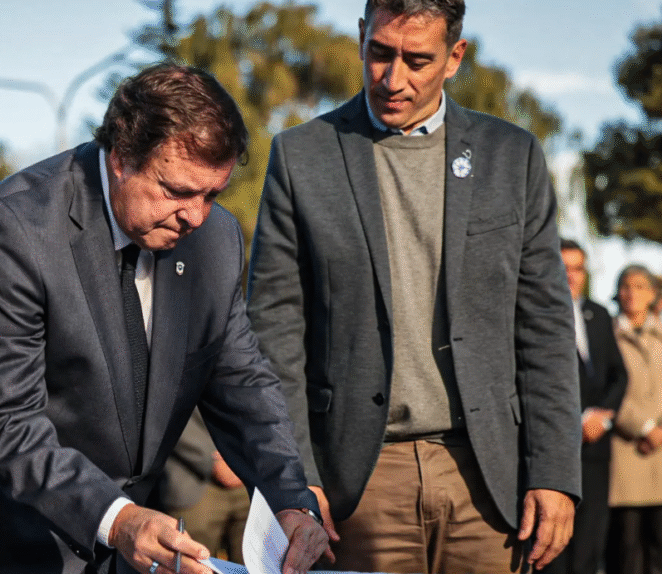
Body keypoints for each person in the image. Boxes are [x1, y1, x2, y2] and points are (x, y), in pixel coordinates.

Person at [0, 63, 327, 574]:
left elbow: (242, 382)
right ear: (121, 157)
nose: (196, 216)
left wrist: (291, 500)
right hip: (17, 547)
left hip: (133, 555)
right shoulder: (13, 229)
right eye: (177, 191)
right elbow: (4, 420)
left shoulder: (215, 240)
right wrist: (117, 519)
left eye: (212, 195)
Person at [245, 0, 582, 572]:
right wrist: (294, 479)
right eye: (380, 52)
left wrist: (554, 473)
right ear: (361, 36)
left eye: (417, 60)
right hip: (358, 486)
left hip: (490, 481)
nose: (392, 78)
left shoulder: (512, 156)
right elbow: (275, 335)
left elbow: (544, 325)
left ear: (455, 56)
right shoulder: (302, 156)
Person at [543, 240, 626, 574]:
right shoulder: (537, 314)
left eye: (577, 268)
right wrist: (573, 420)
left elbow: (619, 375)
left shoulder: (599, 314)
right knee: (554, 547)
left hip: (595, 448)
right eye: (563, 267)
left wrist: (601, 416)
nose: (571, 276)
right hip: (556, 450)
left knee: (590, 545)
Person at [606, 264, 662, 574]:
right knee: (625, 549)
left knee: (657, 547)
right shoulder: (607, 335)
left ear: (653, 293)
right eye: (626, 286)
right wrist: (644, 427)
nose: (632, 293)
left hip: (660, 455)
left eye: (640, 286)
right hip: (625, 453)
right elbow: (607, 389)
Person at [153, 408, 251, 564]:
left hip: (252, 476)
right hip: (190, 477)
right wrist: (213, 460)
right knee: (193, 563)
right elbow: (164, 409)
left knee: (254, 562)